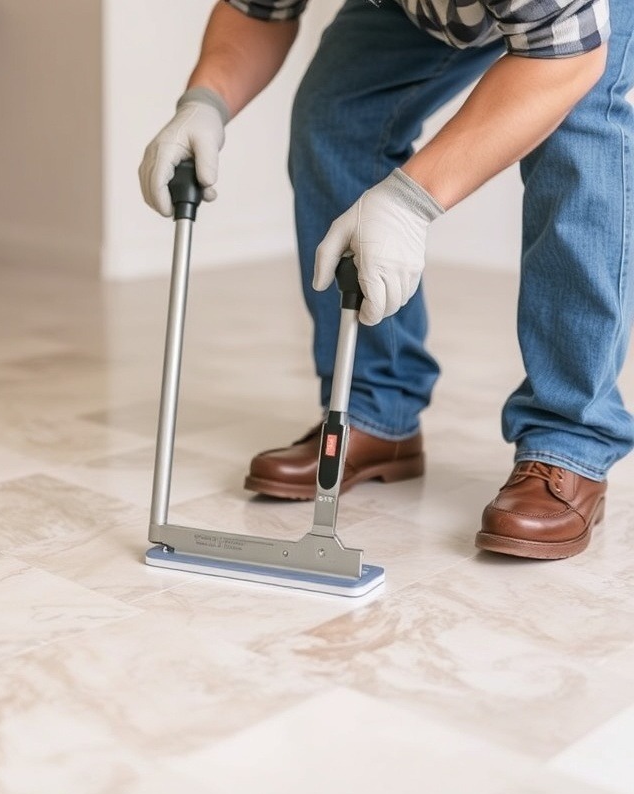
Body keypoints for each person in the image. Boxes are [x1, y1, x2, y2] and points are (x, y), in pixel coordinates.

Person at [139, 0, 633, 560]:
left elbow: (562, 58)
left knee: (577, 130)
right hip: (424, 11)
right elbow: (259, 10)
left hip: (577, 23)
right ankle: (377, 409)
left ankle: (569, 443)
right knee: (339, 115)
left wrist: (409, 201)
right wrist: (204, 101)